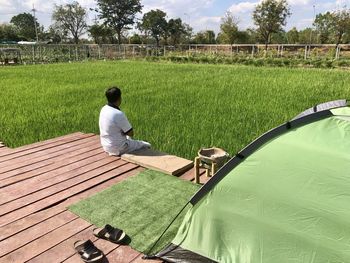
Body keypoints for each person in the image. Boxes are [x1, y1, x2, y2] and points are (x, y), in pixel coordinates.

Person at [99, 87, 151, 156]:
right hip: (119, 148)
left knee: (128, 139)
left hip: (106, 146)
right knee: (146, 144)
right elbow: (131, 133)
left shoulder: (104, 109)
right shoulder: (118, 114)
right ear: (119, 98)